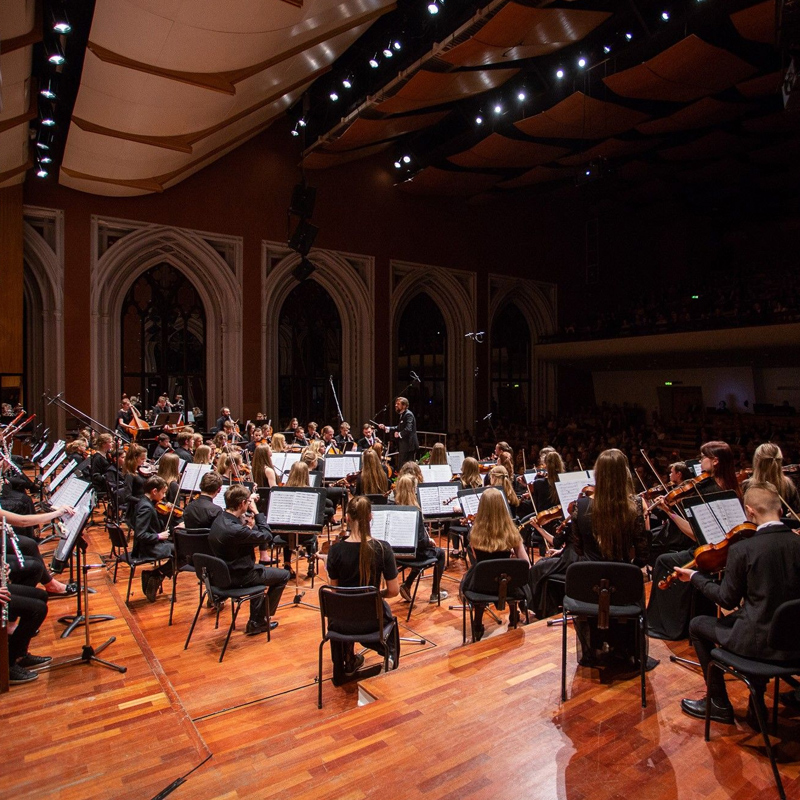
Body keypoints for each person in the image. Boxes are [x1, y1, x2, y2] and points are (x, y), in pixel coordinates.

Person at [675, 482, 800, 726]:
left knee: (698, 624)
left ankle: (719, 703)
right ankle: (756, 699)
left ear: (750, 512)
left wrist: (695, 577)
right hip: (795, 641)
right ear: (781, 511)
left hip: (759, 644)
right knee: (750, 615)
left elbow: (726, 598)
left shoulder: (744, 549)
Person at [647, 440, 743, 641]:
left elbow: (696, 535)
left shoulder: (709, 491)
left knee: (663, 560)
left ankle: (669, 626)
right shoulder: (733, 487)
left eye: (703, 457)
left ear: (715, 461)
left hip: (711, 555)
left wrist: (669, 512)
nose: (700, 461)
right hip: (730, 553)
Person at [567, 449, 652, 668]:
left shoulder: (580, 506)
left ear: (598, 475)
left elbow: (578, 549)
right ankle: (623, 647)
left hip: (589, 587)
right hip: (622, 588)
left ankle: (594, 648)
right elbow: (643, 557)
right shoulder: (633, 507)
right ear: (625, 474)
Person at [326, 495, 400, 674]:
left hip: (342, 623)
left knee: (346, 607)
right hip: (373, 622)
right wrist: (374, 595)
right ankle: (389, 657)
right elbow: (394, 591)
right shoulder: (383, 548)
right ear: (370, 517)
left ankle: (347, 660)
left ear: (347, 518)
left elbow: (335, 590)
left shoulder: (335, 550)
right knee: (386, 614)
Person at [208, 485, 289, 635]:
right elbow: (267, 536)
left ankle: (255, 620)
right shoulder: (236, 530)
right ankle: (258, 620)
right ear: (242, 504)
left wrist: (250, 528)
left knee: (259, 570)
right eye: (247, 502)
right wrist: (257, 513)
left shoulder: (220, 518)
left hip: (222, 573)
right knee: (283, 575)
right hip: (240, 576)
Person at [459, 488, 530, 641]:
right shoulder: (512, 532)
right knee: (508, 573)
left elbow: (478, 559)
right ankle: (513, 615)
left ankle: (477, 623)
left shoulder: (474, 534)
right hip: (508, 584)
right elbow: (526, 565)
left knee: (478, 574)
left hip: (481, 584)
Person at [391, 475, 447, 604]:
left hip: (398, 554)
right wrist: (429, 541)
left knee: (423, 553)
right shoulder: (414, 511)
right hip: (414, 554)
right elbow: (420, 542)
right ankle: (435, 593)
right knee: (440, 553)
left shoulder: (394, 507)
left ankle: (407, 585)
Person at [134, 476, 175, 602]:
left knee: (178, 547)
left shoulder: (145, 501)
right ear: (154, 491)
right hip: (147, 548)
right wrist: (158, 536)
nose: (163, 497)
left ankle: (156, 575)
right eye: (162, 493)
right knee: (183, 552)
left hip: (151, 544)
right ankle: (156, 575)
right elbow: (140, 535)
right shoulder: (146, 508)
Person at [742, 442, 800, 518]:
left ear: (757, 462)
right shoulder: (789, 485)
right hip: (784, 528)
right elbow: (797, 514)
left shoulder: (748, 486)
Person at [379, 397, 418, 464]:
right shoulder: (402, 414)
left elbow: (408, 428)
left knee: (406, 465)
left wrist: (399, 434)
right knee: (402, 464)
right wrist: (387, 428)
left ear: (404, 405)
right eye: (396, 404)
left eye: (398, 404)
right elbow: (399, 427)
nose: (395, 405)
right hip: (404, 445)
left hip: (409, 446)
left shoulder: (408, 414)